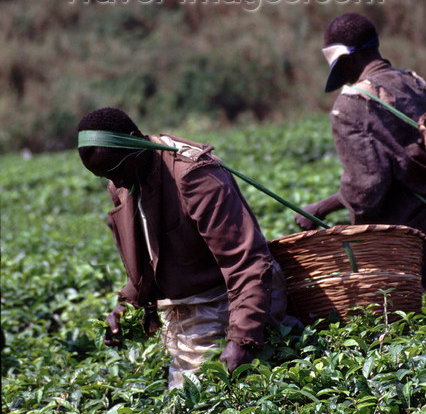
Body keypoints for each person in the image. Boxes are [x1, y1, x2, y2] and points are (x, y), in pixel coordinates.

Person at [77, 107, 289, 389]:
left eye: (115, 170)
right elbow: (151, 258)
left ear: (134, 142)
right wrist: (127, 306)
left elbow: (247, 262)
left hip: (227, 301)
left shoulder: (194, 176)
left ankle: (283, 332)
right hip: (186, 311)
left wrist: (242, 339)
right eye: (103, 176)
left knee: (215, 401)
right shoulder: (127, 181)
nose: (115, 182)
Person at [296, 12, 426, 301]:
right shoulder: (415, 83)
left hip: (420, 244)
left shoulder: (350, 106)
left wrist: (327, 211)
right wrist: (324, 206)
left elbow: (367, 188)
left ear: (346, 60)